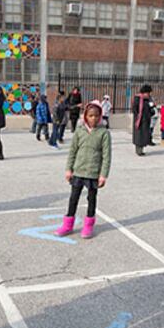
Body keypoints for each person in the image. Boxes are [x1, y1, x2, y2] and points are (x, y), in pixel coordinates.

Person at [55, 101, 111, 240]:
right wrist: (69, 169)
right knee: (73, 198)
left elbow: (106, 156)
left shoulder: (104, 133)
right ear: (85, 116)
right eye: (91, 115)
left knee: (91, 199)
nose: (93, 118)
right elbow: (72, 151)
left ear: (100, 117)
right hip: (78, 171)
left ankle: (89, 225)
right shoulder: (79, 131)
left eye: (96, 116)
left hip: (93, 173)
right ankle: (68, 224)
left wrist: (103, 175)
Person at [132, 85, 154, 156]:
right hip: (139, 121)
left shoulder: (148, 100)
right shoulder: (138, 98)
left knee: (144, 136)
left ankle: (141, 150)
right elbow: (134, 109)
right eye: (148, 93)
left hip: (146, 121)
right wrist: (138, 116)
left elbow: (149, 109)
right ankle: (138, 150)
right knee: (139, 136)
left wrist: (152, 109)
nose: (149, 94)